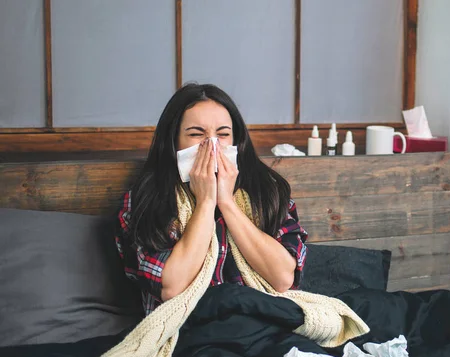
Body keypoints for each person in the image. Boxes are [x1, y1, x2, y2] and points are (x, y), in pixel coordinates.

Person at [115, 83, 308, 315]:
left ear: (237, 142)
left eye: (223, 134)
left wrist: (226, 202)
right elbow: (171, 287)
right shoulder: (146, 200)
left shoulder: (268, 192)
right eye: (196, 134)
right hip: (188, 330)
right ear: (173, 142)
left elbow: (283, 278)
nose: (212, 145)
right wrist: (206, 201)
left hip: (261, 319)